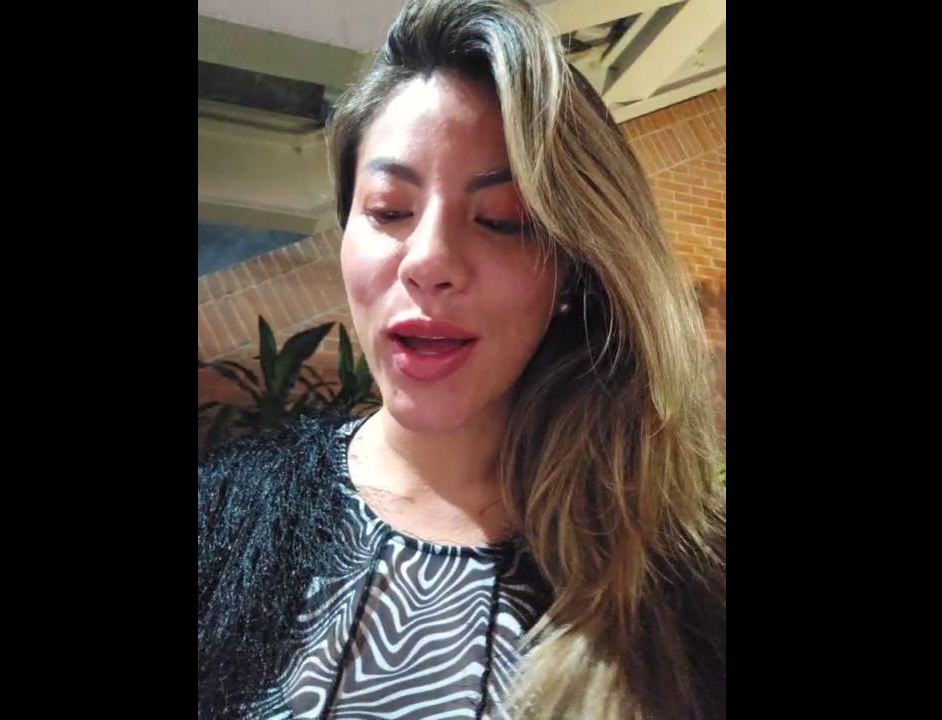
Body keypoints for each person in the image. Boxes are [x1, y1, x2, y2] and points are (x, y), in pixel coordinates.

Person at [198, 0, 726, 718]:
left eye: (502, 220)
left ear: (574, 266)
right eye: (389, 210)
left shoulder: (686, 592)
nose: (429, 262)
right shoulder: (218, 521)